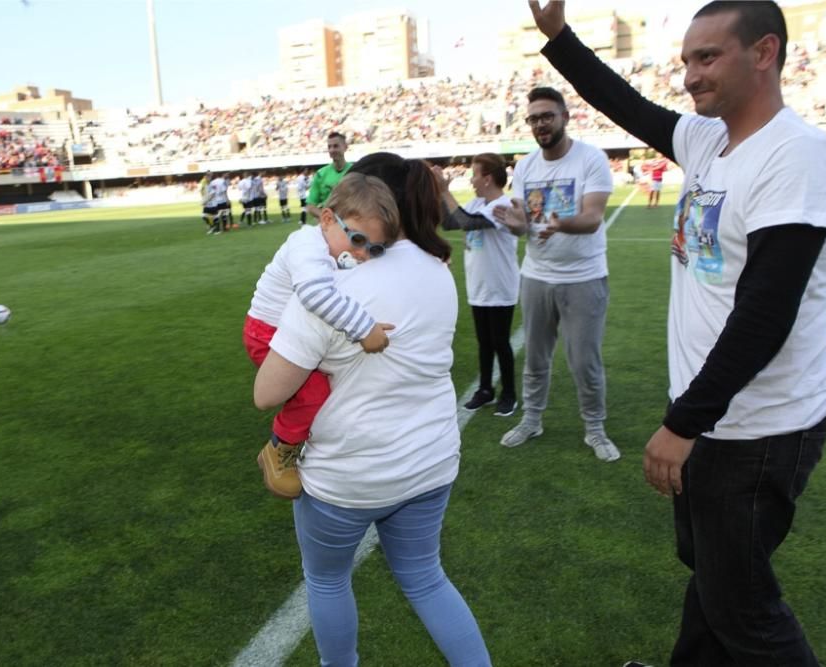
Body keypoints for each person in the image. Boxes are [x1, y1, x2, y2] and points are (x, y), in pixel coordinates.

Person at [528, 1, 826, 665]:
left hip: (759, 425)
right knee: (713, 571)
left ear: (764, 53)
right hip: (716, 417)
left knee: (743, 606)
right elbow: (626, 103)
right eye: (686, 61)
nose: (690, 76)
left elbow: (765, 313)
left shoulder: (799, 156)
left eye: (707, 58)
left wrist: (684, 421)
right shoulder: (706, 138)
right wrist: (559, 37)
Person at [254, 152, 491, 667]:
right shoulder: (436, 266)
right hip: (428, 462)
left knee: (327, 578)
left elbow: (267, 392)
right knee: (427, 578)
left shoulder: (329, 288)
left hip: (349, 474)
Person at [244, 173, 397, 499]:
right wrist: (363, 328)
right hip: (266, 331)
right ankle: (278, 450)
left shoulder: (333, 244)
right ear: (327, 219)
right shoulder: (306, 243)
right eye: (357, 241)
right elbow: (314, 294)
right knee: (312, 393)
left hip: (288, 329)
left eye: (376, 249)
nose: (363, 254)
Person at [494, 86, 619, 463]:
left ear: (565, 117)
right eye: (533, 118)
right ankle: (532, 419)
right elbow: (521, 227)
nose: (540, 124)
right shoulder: (526, 166)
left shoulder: (591, 159)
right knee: (535, 357)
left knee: (584, 360)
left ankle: (595, 428)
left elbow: (593, 218)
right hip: (536, 275)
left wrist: (558, 224)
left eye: (547, 116)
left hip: (583, 277)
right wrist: (516, 224)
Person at [435, 153, 520, 417]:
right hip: (479, 286)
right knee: (484, 342)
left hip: (499, 286)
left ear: (488, 178)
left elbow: (470, 222)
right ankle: (485, 390)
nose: (471, 180)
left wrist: (445, 190)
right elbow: (450, 222)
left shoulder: (502, 206)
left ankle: (509, 393)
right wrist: (439, 194)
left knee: (500, 342)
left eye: (474, 174)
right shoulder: (478, 202)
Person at [306, 131, 352, 220]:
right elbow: (310, 206)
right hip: (328, 225)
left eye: (336, 146)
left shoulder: (355, 171)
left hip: (349, 223)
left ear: (345, 147)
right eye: (329, 147)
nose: (332, 150)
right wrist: (327, 218)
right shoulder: (320, 174)